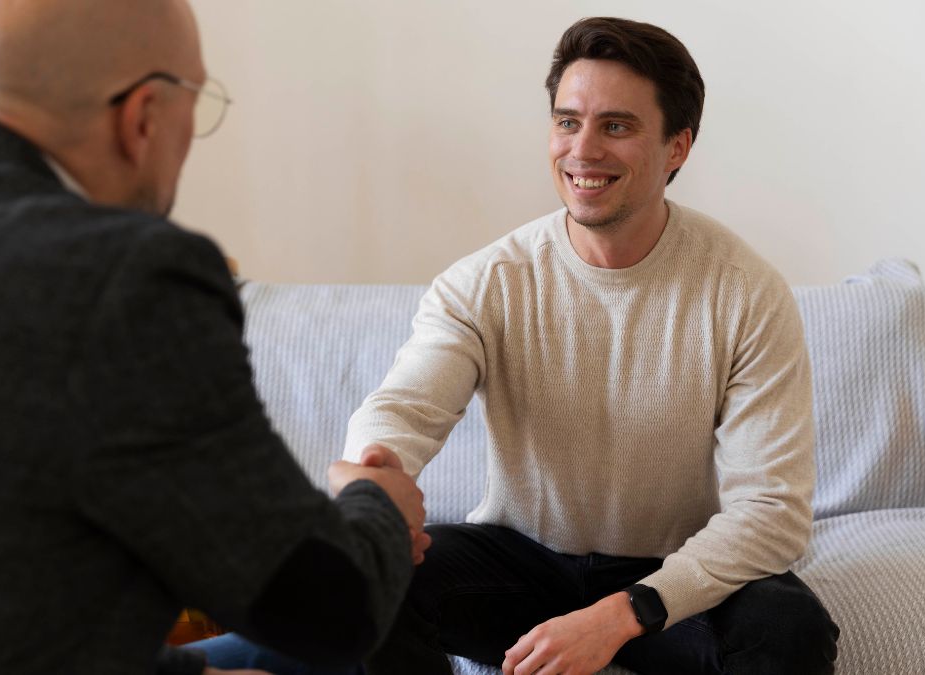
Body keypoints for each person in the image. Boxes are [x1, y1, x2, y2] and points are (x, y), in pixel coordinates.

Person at [0, 1, 429, 673]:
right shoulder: (124, 277)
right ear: (144, 116)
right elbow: (329, 611)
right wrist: (380, 507)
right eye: (198, 101)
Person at [344, 17, 840, 675]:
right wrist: (372, 471)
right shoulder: (486, 281)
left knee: (790, 630)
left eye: (616, 126)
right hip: (520, 564)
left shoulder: (745, 291)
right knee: (364, 583)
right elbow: (404, 407)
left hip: (669, 576)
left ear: (677, 147)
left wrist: (618, 616)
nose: (582, 150)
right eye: (567, 122)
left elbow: (772, 512)